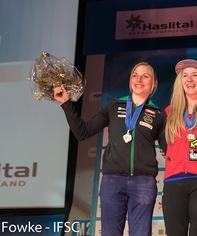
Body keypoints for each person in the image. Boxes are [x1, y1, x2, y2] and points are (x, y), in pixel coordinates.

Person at [53, 62, 167, 236]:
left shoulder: (158, 114)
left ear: (154, 83)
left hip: (143, 183)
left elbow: (170, 148)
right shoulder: (114, 106)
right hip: (113, 181)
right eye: (135, 75)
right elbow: (83, 132)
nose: (139, 79)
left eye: (146, 76)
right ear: (130, 81)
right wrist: (66, 103)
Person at [162, 59, 197, 236]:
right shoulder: (168, 112)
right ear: (180, 82)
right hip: (173, 182)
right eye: (185, 76)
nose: (189, 79)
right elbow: (164, 143)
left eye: (195, 75)